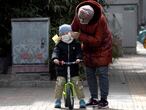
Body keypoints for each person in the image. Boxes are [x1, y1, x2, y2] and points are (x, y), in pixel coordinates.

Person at [70, 0, 112, 109]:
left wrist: (79, 36)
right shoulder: (79, 14)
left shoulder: (100, 20)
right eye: (80, 20)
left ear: (91, 17)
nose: (82, 21)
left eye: (85, 20)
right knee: (89, 73)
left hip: (103, 48)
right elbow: (72, 29)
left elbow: (98, 40)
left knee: (102, 73)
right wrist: (63, 37)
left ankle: (104, 100)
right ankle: (94, 98)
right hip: (88, 48)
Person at [51, 24, 86, 108]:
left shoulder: (75, 43)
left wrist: (78, 58)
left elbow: (79, 52)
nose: (64, 35)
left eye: (67, 33)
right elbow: (55, 52)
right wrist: (55, 58)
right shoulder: (59, 44)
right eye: (62, 34)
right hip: (62, 68)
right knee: (60, 82)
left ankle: (81, 100)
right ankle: (58, 100)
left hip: (73, 67)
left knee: (77, 83)